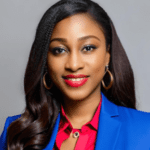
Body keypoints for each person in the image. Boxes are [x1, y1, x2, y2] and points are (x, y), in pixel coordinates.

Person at [0, 0, 150, 149]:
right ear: (45, 60)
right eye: (59, 50)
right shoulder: (16, 133)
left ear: (108, 54)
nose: (74, 65)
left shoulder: (145, 129)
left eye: (88, 48)